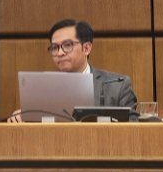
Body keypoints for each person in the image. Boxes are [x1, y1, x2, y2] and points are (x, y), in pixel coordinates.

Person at [8, 19, 137, 122]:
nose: (60, 53)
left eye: (67, 45)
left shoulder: (117, 86)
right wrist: (24, 117)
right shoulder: (43, 89)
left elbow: (134, 126)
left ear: (86, 48)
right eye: (55, 47)